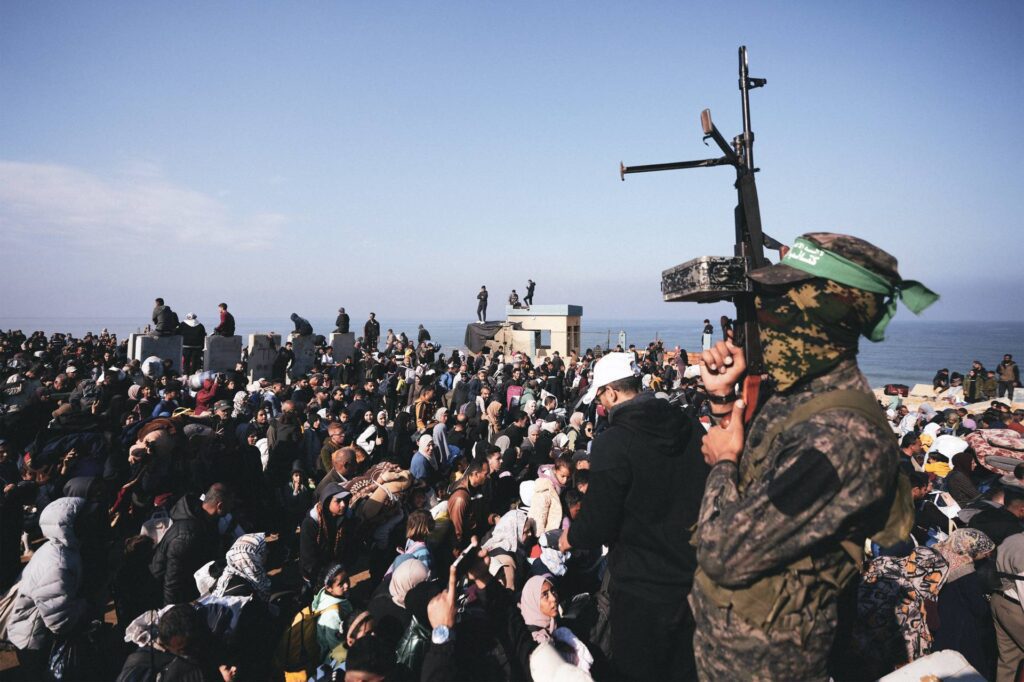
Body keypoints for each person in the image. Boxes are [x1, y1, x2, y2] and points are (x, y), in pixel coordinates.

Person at [691, 233, 936, 680]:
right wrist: (724, 400)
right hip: (732, 650)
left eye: (780, 299)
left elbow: (723, 551)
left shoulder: (840, 437)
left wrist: (723, 463)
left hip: (771, 666)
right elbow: (755, 491)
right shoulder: (798, 398)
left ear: (828, 313)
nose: (763, 314)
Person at [558, 352, 709, 681]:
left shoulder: (613, 442)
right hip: (694, 576)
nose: (601, 406)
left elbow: (598, 521)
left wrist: (572, 537)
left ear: (610, 393)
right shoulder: (688, 424)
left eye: (600, 397)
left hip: (640, 586)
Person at [7, 497, 90, 680]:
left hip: (35, 635)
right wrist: (86, 604)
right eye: (86, 519)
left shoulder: (59, 547)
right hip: (34, 641)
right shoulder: (58, 563)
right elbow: (59, 620)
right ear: (69, 526)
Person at [150, 483, 234, 605]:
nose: (231, 510)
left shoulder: (206, 520)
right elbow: (172, 582)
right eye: (230, 505)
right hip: (166, 593)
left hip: (189, 586)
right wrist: (172, 613)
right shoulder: (187, 536)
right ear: (219, 506)